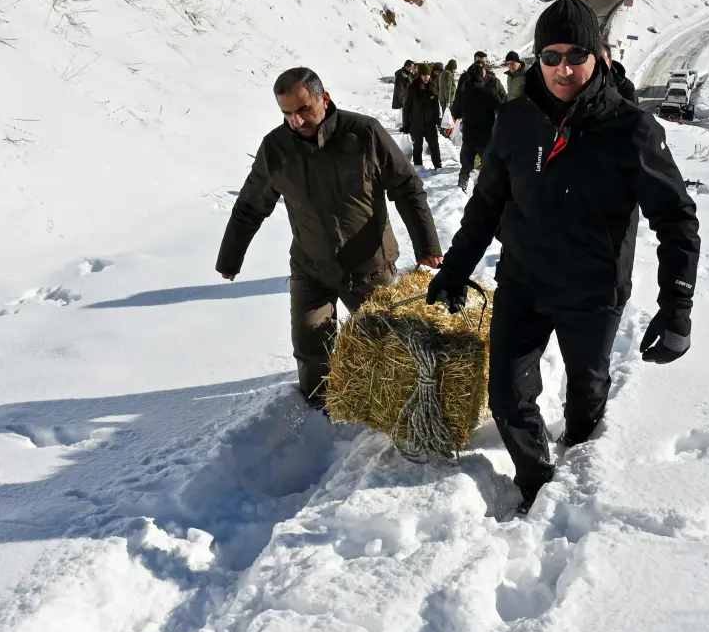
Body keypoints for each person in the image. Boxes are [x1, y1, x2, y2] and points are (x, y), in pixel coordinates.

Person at [425, 0, 701, 514]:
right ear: (536, 59)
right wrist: (456, 271)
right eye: (550, 56)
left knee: (586, 394)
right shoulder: (514, 120)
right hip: (524, 284)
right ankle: (537, 481)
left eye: (576, 54)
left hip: (593, 292)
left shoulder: (631, 129)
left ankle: (580, 439)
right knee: (506, 396)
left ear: (598, 54)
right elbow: (486, 206)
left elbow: (676, 220)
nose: (563, 68)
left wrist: (677, 307)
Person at [217, 67, 443, 408]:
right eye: (287, 113)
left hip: (369, 266)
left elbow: (407, 188)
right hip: (311, 267)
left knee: (389, 347)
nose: (296, 121)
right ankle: (320, 414)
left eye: (303, 109)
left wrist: (427, 245)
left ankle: (395, 409)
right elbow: (250, 206)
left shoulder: (364, 132)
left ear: (324, 99)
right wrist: (230, 258)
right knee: (311, 348)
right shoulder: (276, 149)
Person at [451, 61, 506, 192]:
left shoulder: (465, 88)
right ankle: (488, 190)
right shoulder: (489, 89)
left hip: (470, 134)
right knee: (489, 166)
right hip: (486, 134)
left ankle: (461, 190)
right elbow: (501, 104)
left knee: (466, 165)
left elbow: (455, 111)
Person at [403, 63, 442, 170]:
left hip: (430, 123)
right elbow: (406, 107)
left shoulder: (433, 86)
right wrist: (406, 124)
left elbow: (436, 106)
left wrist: (438, 119)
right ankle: (418, 167)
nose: (427, 77)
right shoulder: (413, 88)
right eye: (424, 75)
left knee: (434, 146)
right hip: (416, 123)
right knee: (417, 147)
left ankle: (438, 166)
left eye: (428, 75)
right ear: (420, 75)